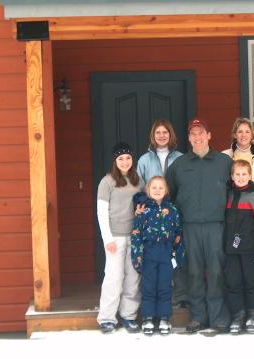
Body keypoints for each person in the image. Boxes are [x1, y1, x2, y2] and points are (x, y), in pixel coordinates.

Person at [165, 117, 254, 333]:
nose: (197, 137)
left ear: (209, 136)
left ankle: (219, 317)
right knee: (193, 271)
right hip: (189, 226)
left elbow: (241, 180)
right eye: (193, 134)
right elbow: (168, 195)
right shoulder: (179, 165)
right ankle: (198, 317)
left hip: (217, 226)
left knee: (217, 271)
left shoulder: (223, 162)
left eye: (201, 133)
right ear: (189, 138)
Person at [136, 119, 189, 308]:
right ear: (153, 135)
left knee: (177, 250)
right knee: (155, 256)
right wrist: (141, 204)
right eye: (158, 132)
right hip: (153, 215)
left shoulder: (181, 158)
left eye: (165, 132)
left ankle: (181, 295)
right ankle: (154, 298)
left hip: (175, 212)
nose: (161, 136)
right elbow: (139, 187)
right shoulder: (144, 160)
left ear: (170, 135)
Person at [96, 142, 145, 333]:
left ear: (132, 160)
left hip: (134, 236)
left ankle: (129, 315)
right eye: (120, 159)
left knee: (133, 277)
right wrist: (107, 238)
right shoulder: (107, 182)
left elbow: (142, 207)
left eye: (128, 158)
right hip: (115, 237)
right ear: (115, 161)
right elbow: (101, 212)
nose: (125, 162)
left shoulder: (138, 181)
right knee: (113, 277)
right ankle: (107, 317)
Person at [130, 176, 185, 335]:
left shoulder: (173, 210)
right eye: (154, 187)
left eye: (161, 187)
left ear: (166, 190)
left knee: (164, 285)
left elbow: (178, 234)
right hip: (149, 252)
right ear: (148, 190)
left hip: (167, 252)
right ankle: (148, 317)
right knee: (148, 286)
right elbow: (136, 234)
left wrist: (177, 256)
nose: (157, 190)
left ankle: (164, 318)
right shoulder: (143, 210)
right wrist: (137, 256)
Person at [224, 160, 254, 334]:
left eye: (244, 174)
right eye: (237, 174)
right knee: (232, 282)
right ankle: (237, 315)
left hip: (251, 250)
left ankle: (253, 314)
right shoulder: (227, 194)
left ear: (250, 176)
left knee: (251, 282)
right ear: (232, 176)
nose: (241, 177)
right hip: (231, 250)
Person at [222, 117, 254, 214]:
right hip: (232, 207)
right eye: (240, 131)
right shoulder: (225, 156)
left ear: (252, 135)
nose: (243, 135)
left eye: (247, 132)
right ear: (234, 134)